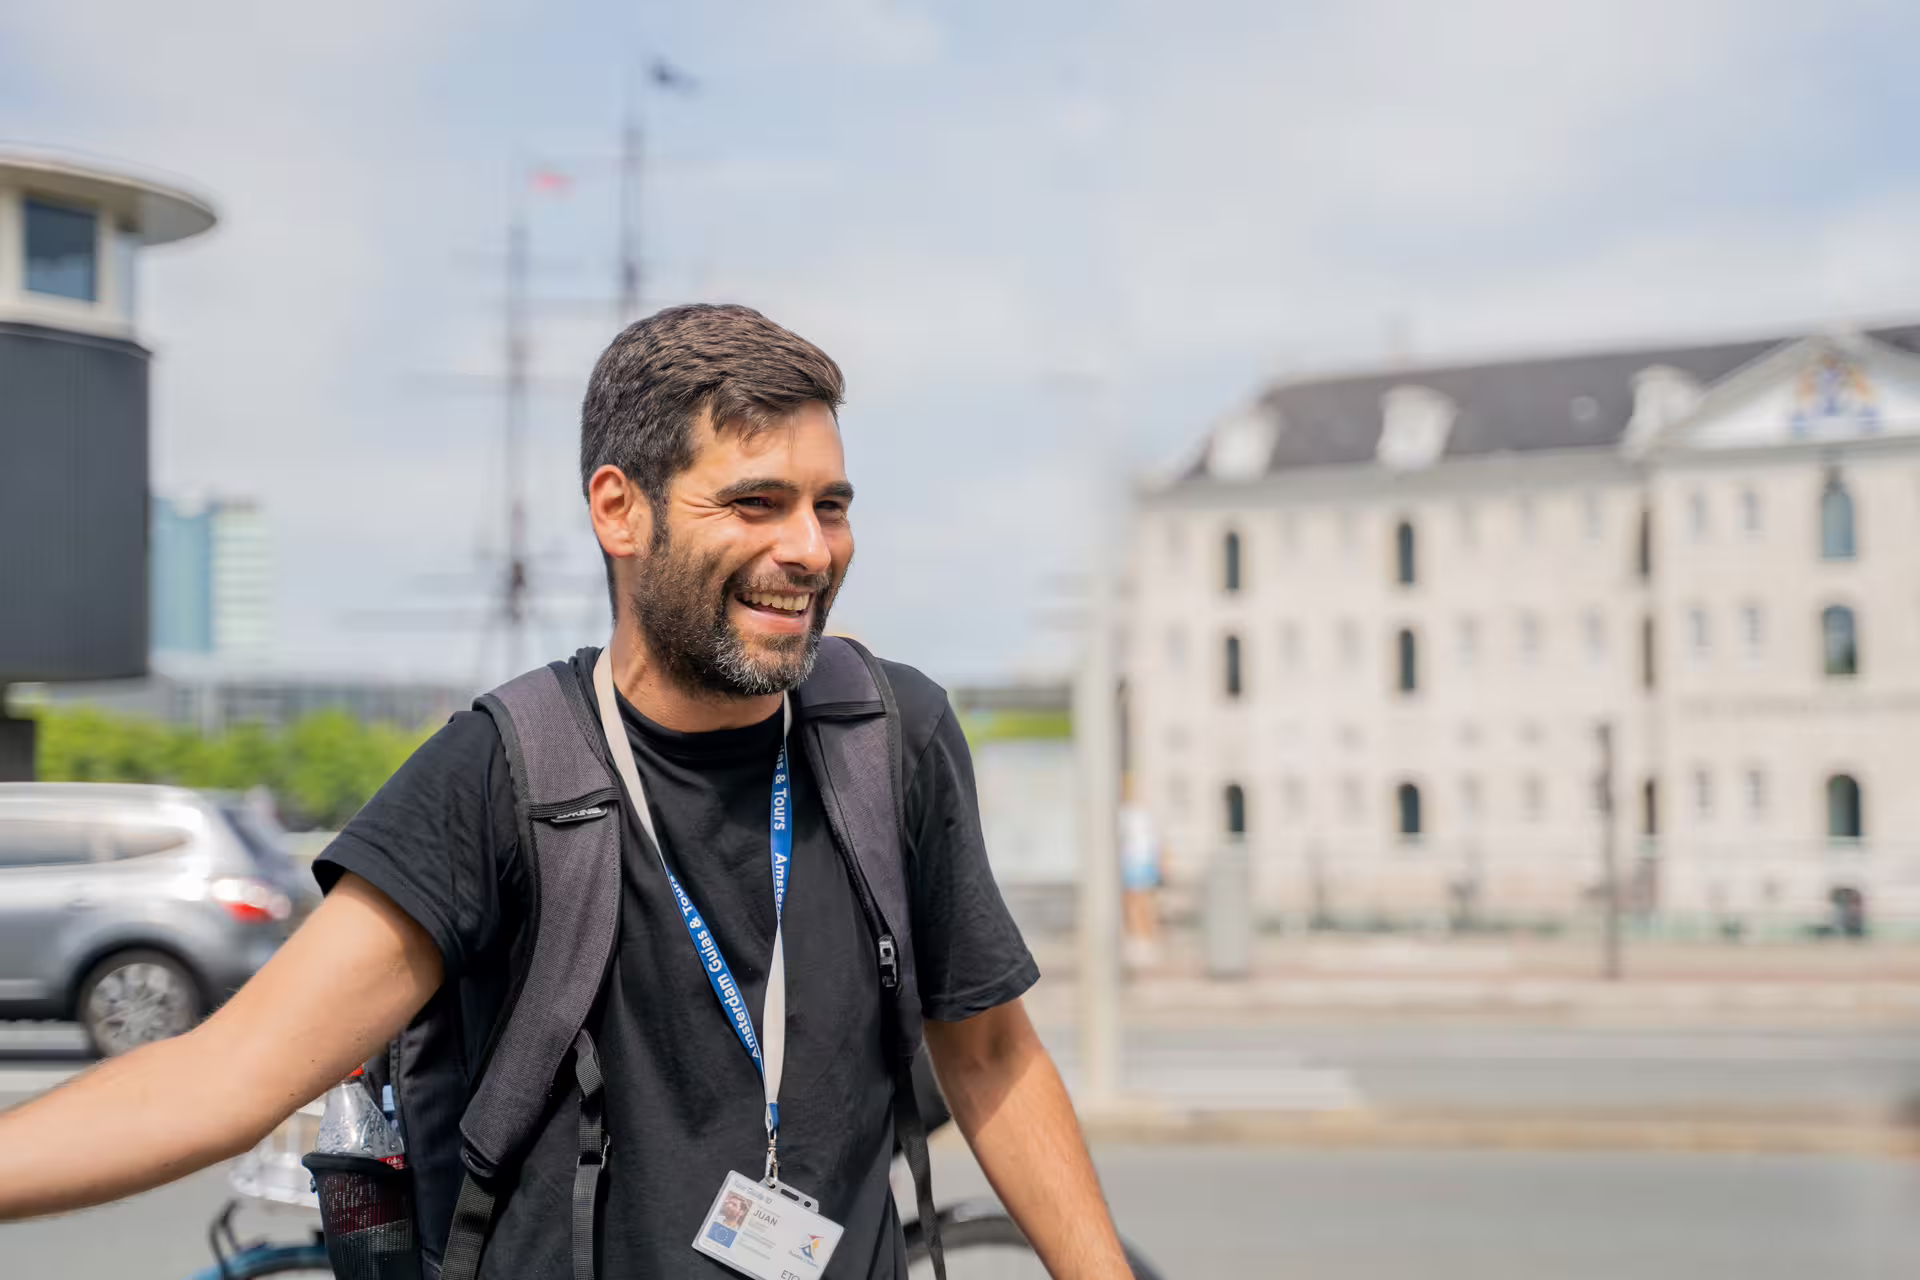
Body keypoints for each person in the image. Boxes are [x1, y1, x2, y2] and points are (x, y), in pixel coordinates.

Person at [0, 304, 1133, 1279]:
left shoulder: (891, 736)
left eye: (830, 505)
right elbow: (229, 1073)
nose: (812, 548)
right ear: (617, 509)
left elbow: (988, 1054)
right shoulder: (502, 771)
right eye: (756, 502)